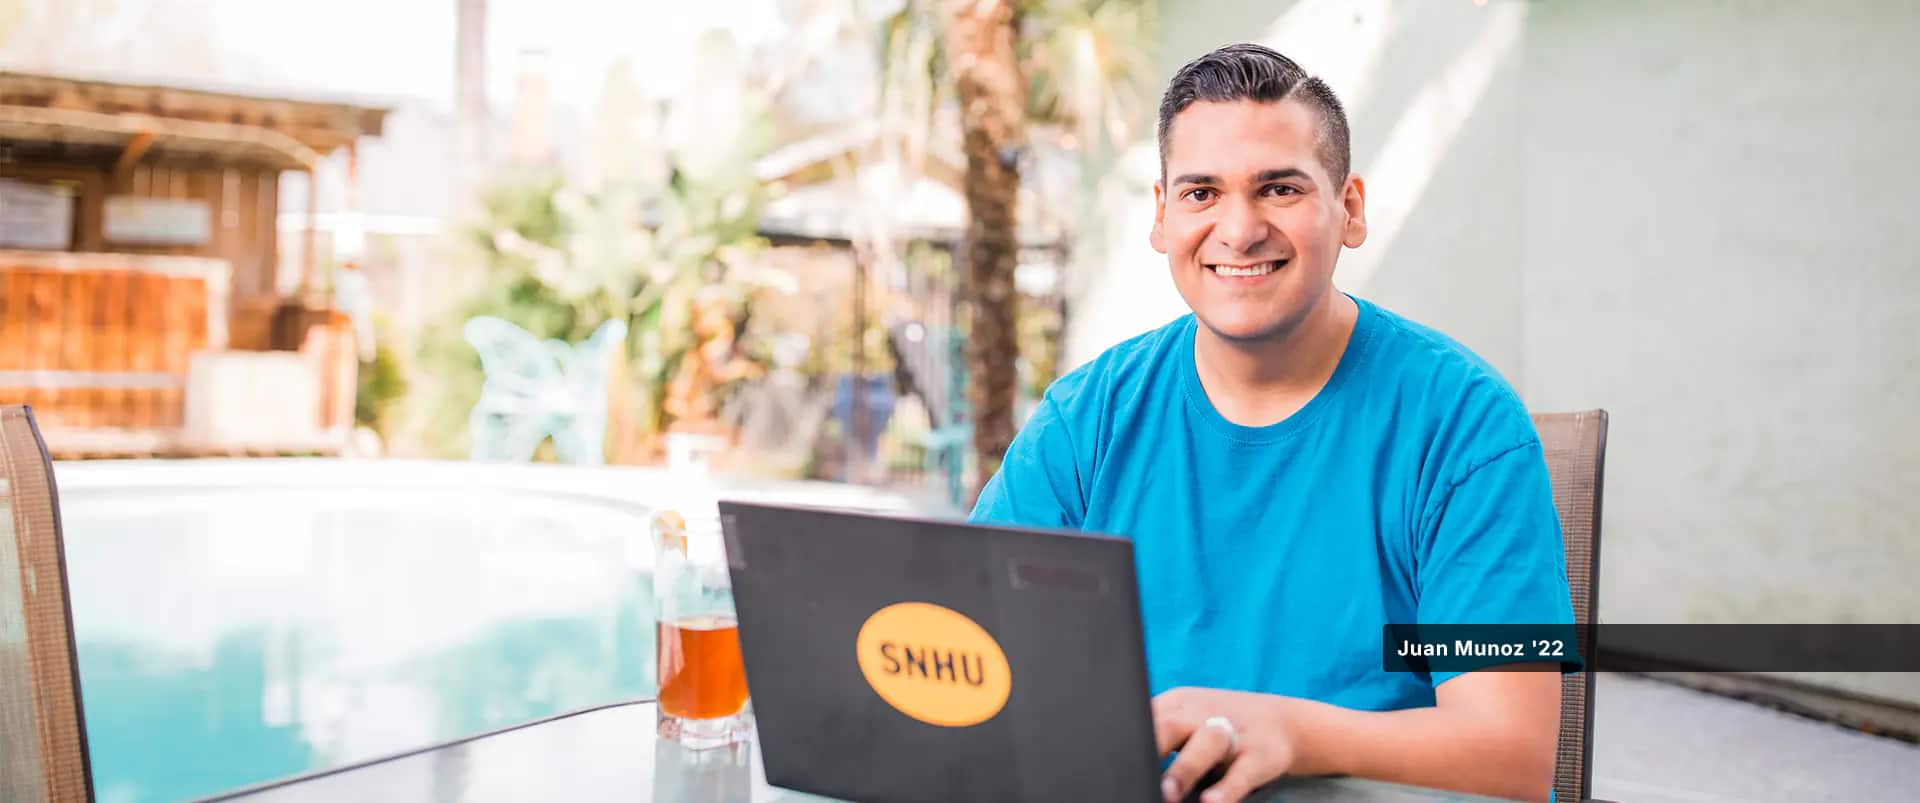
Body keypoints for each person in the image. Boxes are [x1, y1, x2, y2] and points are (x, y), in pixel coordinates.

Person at [968, 43, 1573, 803]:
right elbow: (974, 663)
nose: (1239, 228)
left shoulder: (1465, 428)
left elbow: (1511, 754)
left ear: (1348, 209)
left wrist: (1293, 734)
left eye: (1279, 189)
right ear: (1162, 216)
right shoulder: (1083, 420)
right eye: (1201, 193)